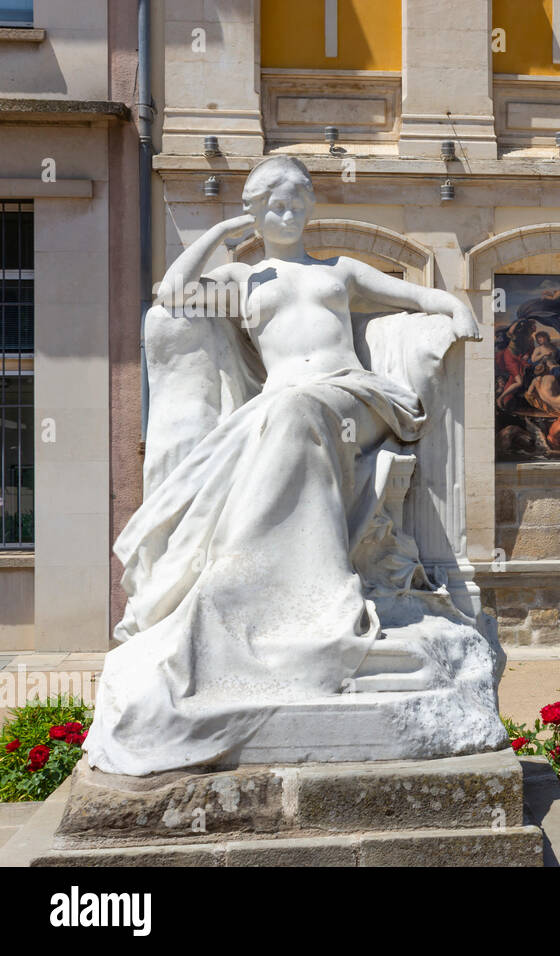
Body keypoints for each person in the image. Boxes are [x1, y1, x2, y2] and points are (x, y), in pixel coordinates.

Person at [83, 156, 497, 776]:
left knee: (295, 410)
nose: (287, 212)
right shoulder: (241, 278)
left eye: (298, 200)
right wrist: (219, 236)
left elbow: (418, 292)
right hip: (281, 406)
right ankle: (243, 587)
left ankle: (304, 593)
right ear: (255, 212)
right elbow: (171, 296)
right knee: (276, 422)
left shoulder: (339, 271)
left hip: (355, 395)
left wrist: (457, 312)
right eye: (273, 203)